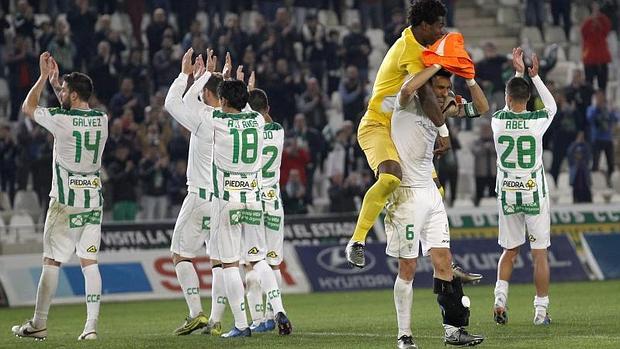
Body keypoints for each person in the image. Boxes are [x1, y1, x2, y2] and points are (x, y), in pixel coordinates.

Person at [165, 48, 291, 338]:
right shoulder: (258, 122)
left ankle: (242, 324)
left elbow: (174, 104)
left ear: (221, 101)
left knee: (230, 264)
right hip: (254, 199)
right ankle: (277, 308)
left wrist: (193, 75)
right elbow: (244, 106)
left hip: (226, 200)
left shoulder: (214, 122)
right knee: (258, 260)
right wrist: (226, 79)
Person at [387, 65, 488, 348]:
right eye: (438, 88)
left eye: (446, 88)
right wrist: (434, 64)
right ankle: (404, 336)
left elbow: (481, 106)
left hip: (431, 194)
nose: (443, 94)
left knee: (444, 261)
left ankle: (453, 330)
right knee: (407, 267)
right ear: (427, 87)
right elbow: (408, 87)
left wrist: (468, 78)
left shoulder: (445, 110)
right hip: (405, 195)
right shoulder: (406, 103)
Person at [11, 52, 108, 341]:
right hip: (93, 200)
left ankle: (38, 323)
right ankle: (90, 327)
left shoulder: (60, 119)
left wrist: (42, 78)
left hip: (65, 201)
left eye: (65, 90)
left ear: (74, 94)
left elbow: (28, 107)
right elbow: (75, 113)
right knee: (90, 263)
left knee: (51, 261)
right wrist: (58, 82)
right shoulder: (102, 119)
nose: (60, 93)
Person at [346, 0, 450, 268]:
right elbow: (425, 93)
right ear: (424, 25)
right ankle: (356, 242)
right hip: (377, 126)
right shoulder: (411, 48)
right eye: (438, 25)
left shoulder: (420, 46)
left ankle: (441, 257)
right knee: (391, 176)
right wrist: (443, 131)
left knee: (437, 191)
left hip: (400, 130)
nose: (442, 30)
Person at [492, 48, 557, 326]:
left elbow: (511, 105)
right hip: (533, 192)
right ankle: (540, 312)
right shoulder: (536, 122)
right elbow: (552, 107)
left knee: (510, 250)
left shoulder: (497, 121)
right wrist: (535, 76)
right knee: (539, 253)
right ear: (529, 98)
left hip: (507, 193)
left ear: (507, 97)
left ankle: (499, 299)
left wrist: (519, 74)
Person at [164, 49, 225, 336]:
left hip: (200, 197)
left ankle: (195, 313)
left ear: (208, 95)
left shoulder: (201, 117)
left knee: (180, 254)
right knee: (220, 261)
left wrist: (186, 74)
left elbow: (172, 102)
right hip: (223, 200)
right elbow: (194, 101)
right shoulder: (227, 119)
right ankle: (216, 320)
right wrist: (206, 78)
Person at [246, 87, 286, 333]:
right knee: (273, 263)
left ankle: (259, 319)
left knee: (251, 263)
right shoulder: (278, 130)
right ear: (268, 109)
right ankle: (274, 313)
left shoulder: (251, 132)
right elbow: (265, 118)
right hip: (274, 202)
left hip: (254, 201)